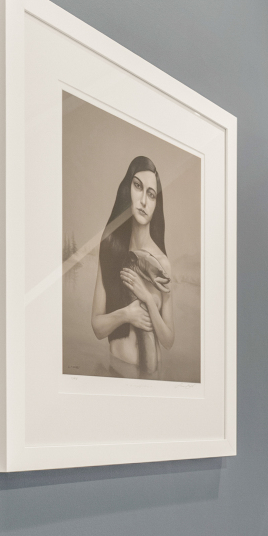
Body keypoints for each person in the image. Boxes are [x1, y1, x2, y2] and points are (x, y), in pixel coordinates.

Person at [89, 157, 176, 378]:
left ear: (156, 204)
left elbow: (168, 340)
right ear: (127, 189)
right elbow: (97, 327)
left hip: (152, 378)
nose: (144, 201)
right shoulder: (110, 250)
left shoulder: (162, 263)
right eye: (138, 186)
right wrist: (127, 314)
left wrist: (147, 299)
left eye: (151, 194)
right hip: (115, 370)